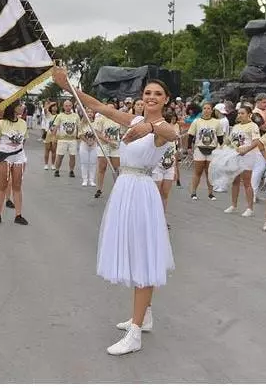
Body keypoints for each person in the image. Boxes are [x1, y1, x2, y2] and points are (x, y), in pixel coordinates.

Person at [53, 68, 177, 356]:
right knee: (136, 253)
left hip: (142, 191)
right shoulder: (133, 119)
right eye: (148, 93)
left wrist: (153, 127)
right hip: (125, 188)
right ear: (141, 97)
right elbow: (96, 106)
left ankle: (135, 334)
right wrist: (67, 86)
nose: (151, 97)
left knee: (144, 258)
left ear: (166, 99)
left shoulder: (161, 127)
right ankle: (144, 316)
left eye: (158, 94)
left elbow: (172, 133)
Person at [0, 100, 28, 226]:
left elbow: (24, 141)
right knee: (2, 186)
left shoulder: (23, 123)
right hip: (4, 157)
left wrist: (16, 150)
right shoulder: (1, 123)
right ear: (12, 108)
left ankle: (18, 215)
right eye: (19, 105)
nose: (22, 107)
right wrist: (4, 151)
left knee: (17, 186)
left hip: (19, 157)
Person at [223, 106, 260, 217]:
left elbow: (256, 141)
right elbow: (230, 141)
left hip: (247, 156)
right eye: (239, 113)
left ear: (249, 114)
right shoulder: (236, 126)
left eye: (242, 113)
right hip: (235, 155)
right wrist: (224, 145)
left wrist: (246, 150)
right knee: (235, 180)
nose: (239, 115)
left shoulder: (253, 126)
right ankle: (234, 205)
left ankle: (250, 208)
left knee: (247, 182)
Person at [187, 102, 223, 201]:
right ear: (202, 110)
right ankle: (193, 192)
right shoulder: (197, 121)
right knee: (197, 172)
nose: (206, 110)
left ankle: (210, 193)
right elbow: (191, 135)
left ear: (212, 110)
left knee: (210, 173)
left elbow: (220, 137)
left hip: (212, 149)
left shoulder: (217, 122)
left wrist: (223, 149)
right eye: (204, 108)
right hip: (199, 148)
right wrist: (189, 147)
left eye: (208, 109)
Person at [251, 93, 266, 200]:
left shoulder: (265, 111)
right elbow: (264, 127)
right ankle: (252, 193)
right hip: (258, 145)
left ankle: (254, 192)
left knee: (261, 169)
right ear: (258, 102)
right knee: (258, 169)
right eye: (264, 102)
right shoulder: (255, 114)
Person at [52, 99, 80, 178]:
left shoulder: (76, 116)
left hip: (72, 139)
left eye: (69, 106)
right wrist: (54, 137)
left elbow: (78, 127)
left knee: (72, 156)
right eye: (66, 106)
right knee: (60, 156)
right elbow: (55, 127)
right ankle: (57, 170)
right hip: (62, 139)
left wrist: (79, 136)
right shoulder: (60, 116)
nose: (68, 107)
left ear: (72, 106)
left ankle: (71, 170)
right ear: (63, 107)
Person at [78, 107, 97, 187]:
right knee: (84, 162)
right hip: (84, 144)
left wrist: (93, 141)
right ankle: (85, 179)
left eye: (91, 112)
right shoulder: (81, 123)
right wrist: (87, 141)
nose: (89, 113)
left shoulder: (96, 123)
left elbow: (98, 133)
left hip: (94, 144)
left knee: (93, 163)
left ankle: (91, 180)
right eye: (88, 112)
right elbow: (80, 134)